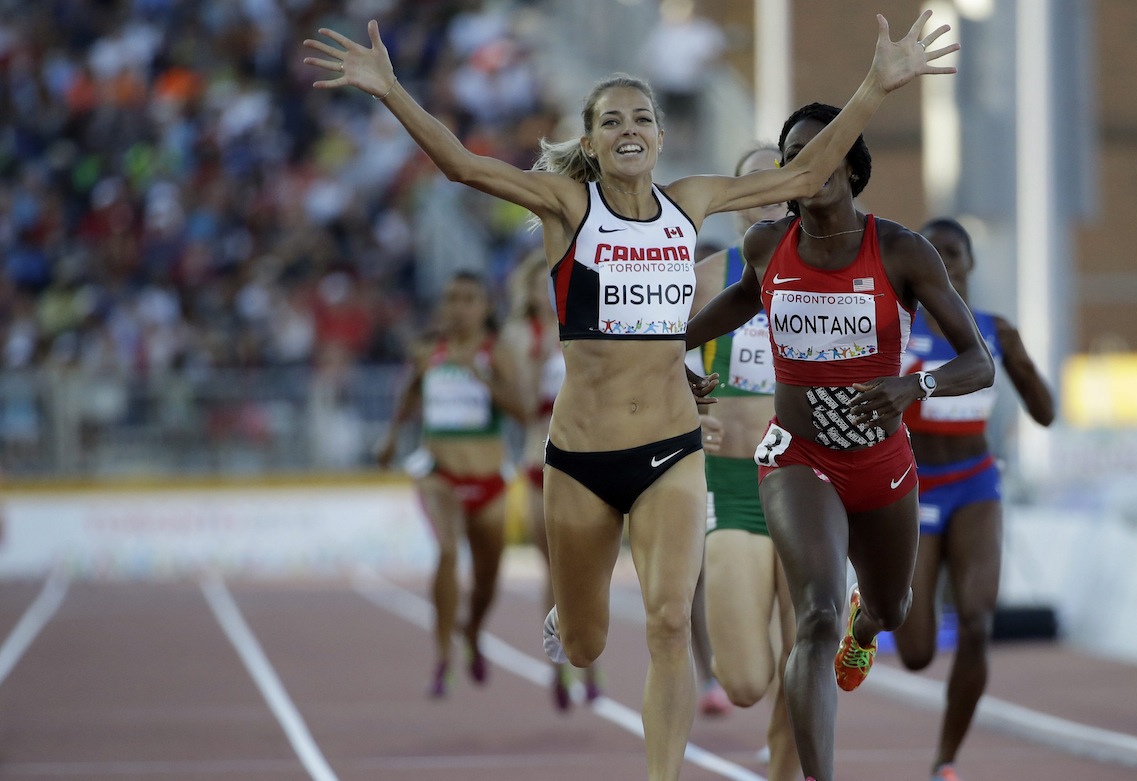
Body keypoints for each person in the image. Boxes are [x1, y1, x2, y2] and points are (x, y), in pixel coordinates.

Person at [305, 14, 955, 778]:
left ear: (660, 134)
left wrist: (875, 84)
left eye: (641, 115)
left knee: (670, 620)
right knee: (584, 643)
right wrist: (391, 92)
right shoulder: (567, 208)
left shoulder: (694, 202)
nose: (628, 128)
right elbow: (461, 166)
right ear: (590, 143)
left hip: (673, 451)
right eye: (610, 119)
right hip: (581, 456)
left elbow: (806, 177)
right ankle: (570, 616)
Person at [686, 105, 994, 781]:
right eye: (794, 154)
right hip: (798, 457)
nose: (807, 165)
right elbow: (737, 301)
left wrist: (916, 388)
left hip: (880, 461)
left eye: (821, 151)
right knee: (813, 616)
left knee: (891, 607)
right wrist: (673, 358)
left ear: (851, 166)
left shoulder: (902, 250)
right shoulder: (767, 246)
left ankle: (866, 625)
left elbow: (979, 361)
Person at [892, 218, 1055, 781]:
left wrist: (1019, 360)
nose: (944, 259)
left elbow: (1046, 413)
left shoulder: (991, 329)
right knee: (914, 654)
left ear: (969, 263)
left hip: (974, 481)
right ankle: (871, 608)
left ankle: (945, 759)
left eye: (954, 251)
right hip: (912, 487)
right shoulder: (895, 327)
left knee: (978, 622)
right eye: (932, 251)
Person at [690, 143, 799, 778]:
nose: (763, 196)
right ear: (731, 202)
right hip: (732, 486)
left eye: (776, 183)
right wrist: (682, 412)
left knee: (805, 649)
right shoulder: (707, 276)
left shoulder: (833, 278)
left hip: (810, 482)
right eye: (749, 186)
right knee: (745, 682)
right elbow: (657, 366)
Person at [375, 273, 528, 698]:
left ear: (484, 307)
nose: (459, 307)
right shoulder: (428, 350)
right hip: (438, 473)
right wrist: (389, 438)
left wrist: (487, 383)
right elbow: (407, 396)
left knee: (487, 580)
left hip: (489, 478)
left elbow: (523, 410)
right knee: (445, 550)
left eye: (468, 299)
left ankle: (473, 632)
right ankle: (442, 658)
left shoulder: (496, 351)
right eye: (451, 299)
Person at [499, 249, 601, 711]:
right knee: (555, 570)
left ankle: (590, 661)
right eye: (538, 284)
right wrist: (538, 364)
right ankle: (558, 666)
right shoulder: (520, 336)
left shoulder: (586, 325)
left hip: (589, 458)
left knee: (590, 569)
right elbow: (520, 407)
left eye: (553, 282)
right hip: (537, 460)